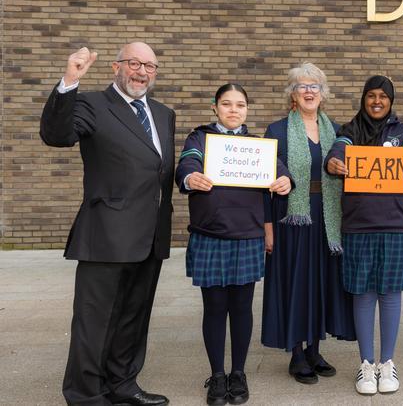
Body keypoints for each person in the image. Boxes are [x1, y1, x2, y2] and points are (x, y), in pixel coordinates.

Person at [40, 43, 174, 406]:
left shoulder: (163, 114)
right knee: (94, 322)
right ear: (116, 66)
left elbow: (160, 172)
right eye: (134, 63)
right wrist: (70, 80)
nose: (141, 72)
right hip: (107, 233)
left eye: (150, 65)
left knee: (134, 318)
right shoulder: (93, 104)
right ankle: (86, 395)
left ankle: (123, 384)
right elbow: (57, 135)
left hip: (152, 236)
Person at [175, 83, 293, 405]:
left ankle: (238, 373)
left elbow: (282, 173)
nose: (233, 110)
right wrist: (189, 178)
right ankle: (216, 376)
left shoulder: (257, 146)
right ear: (215, 108)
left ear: (247, 110)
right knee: (214, 308)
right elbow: (186, 165)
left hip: (247, 235)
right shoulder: (200, 139)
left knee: (241, 308)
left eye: (240, 105)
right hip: (210, 234)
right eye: (226, 104)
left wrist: (285, 181)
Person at [325, 75, 403, 395]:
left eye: (383, 96)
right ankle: (366, 364)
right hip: (358, 225)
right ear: (363, 99)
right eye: (371, 95)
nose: (376, 101)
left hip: (395, 225)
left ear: (390, 100)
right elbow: (337, 152)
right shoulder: (350, 131)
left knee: (389, 293)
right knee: (362, 293)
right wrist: (334, 162)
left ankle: (387, 362)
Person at [260, 62, 355, 385]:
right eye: (302, 86)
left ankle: (315, 349)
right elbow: (268, 167)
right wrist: (267, 227)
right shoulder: (276, 131)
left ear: (323, 93)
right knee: (298, 283)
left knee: (322, 282)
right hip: (293, 217)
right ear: (292, 94)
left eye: (315, 85)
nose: (309, 91)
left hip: (328, 217)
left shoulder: (338, 131)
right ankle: (297, 353)